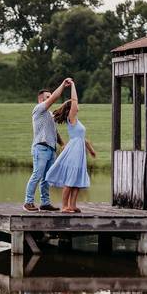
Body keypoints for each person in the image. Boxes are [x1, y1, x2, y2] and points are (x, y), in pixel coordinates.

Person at [45, 80, 96, 214]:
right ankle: (65, 206)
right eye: (75, 104)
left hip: (79, 152)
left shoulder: (77, 121)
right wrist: (73, 85)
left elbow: (81, 137)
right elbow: (74, 100)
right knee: (70, 180)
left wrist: (90, 150)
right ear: (71, 108)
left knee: (77, 180)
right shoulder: (71, 117)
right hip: (74, 152)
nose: (77, 105)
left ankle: (72, 205)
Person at [24, 79, 71, 212]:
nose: (50, 99)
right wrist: (63, 85)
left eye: (50, 97)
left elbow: (54, 132)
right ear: (41, 100)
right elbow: (56, 97)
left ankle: (45, 203)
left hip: (51, 149)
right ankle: (28, 202)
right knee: (37, 175)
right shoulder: (38, 109)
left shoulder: (49, 114)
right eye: (47, 97)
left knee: (46, 178)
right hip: (41, 147)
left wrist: (62, 144)